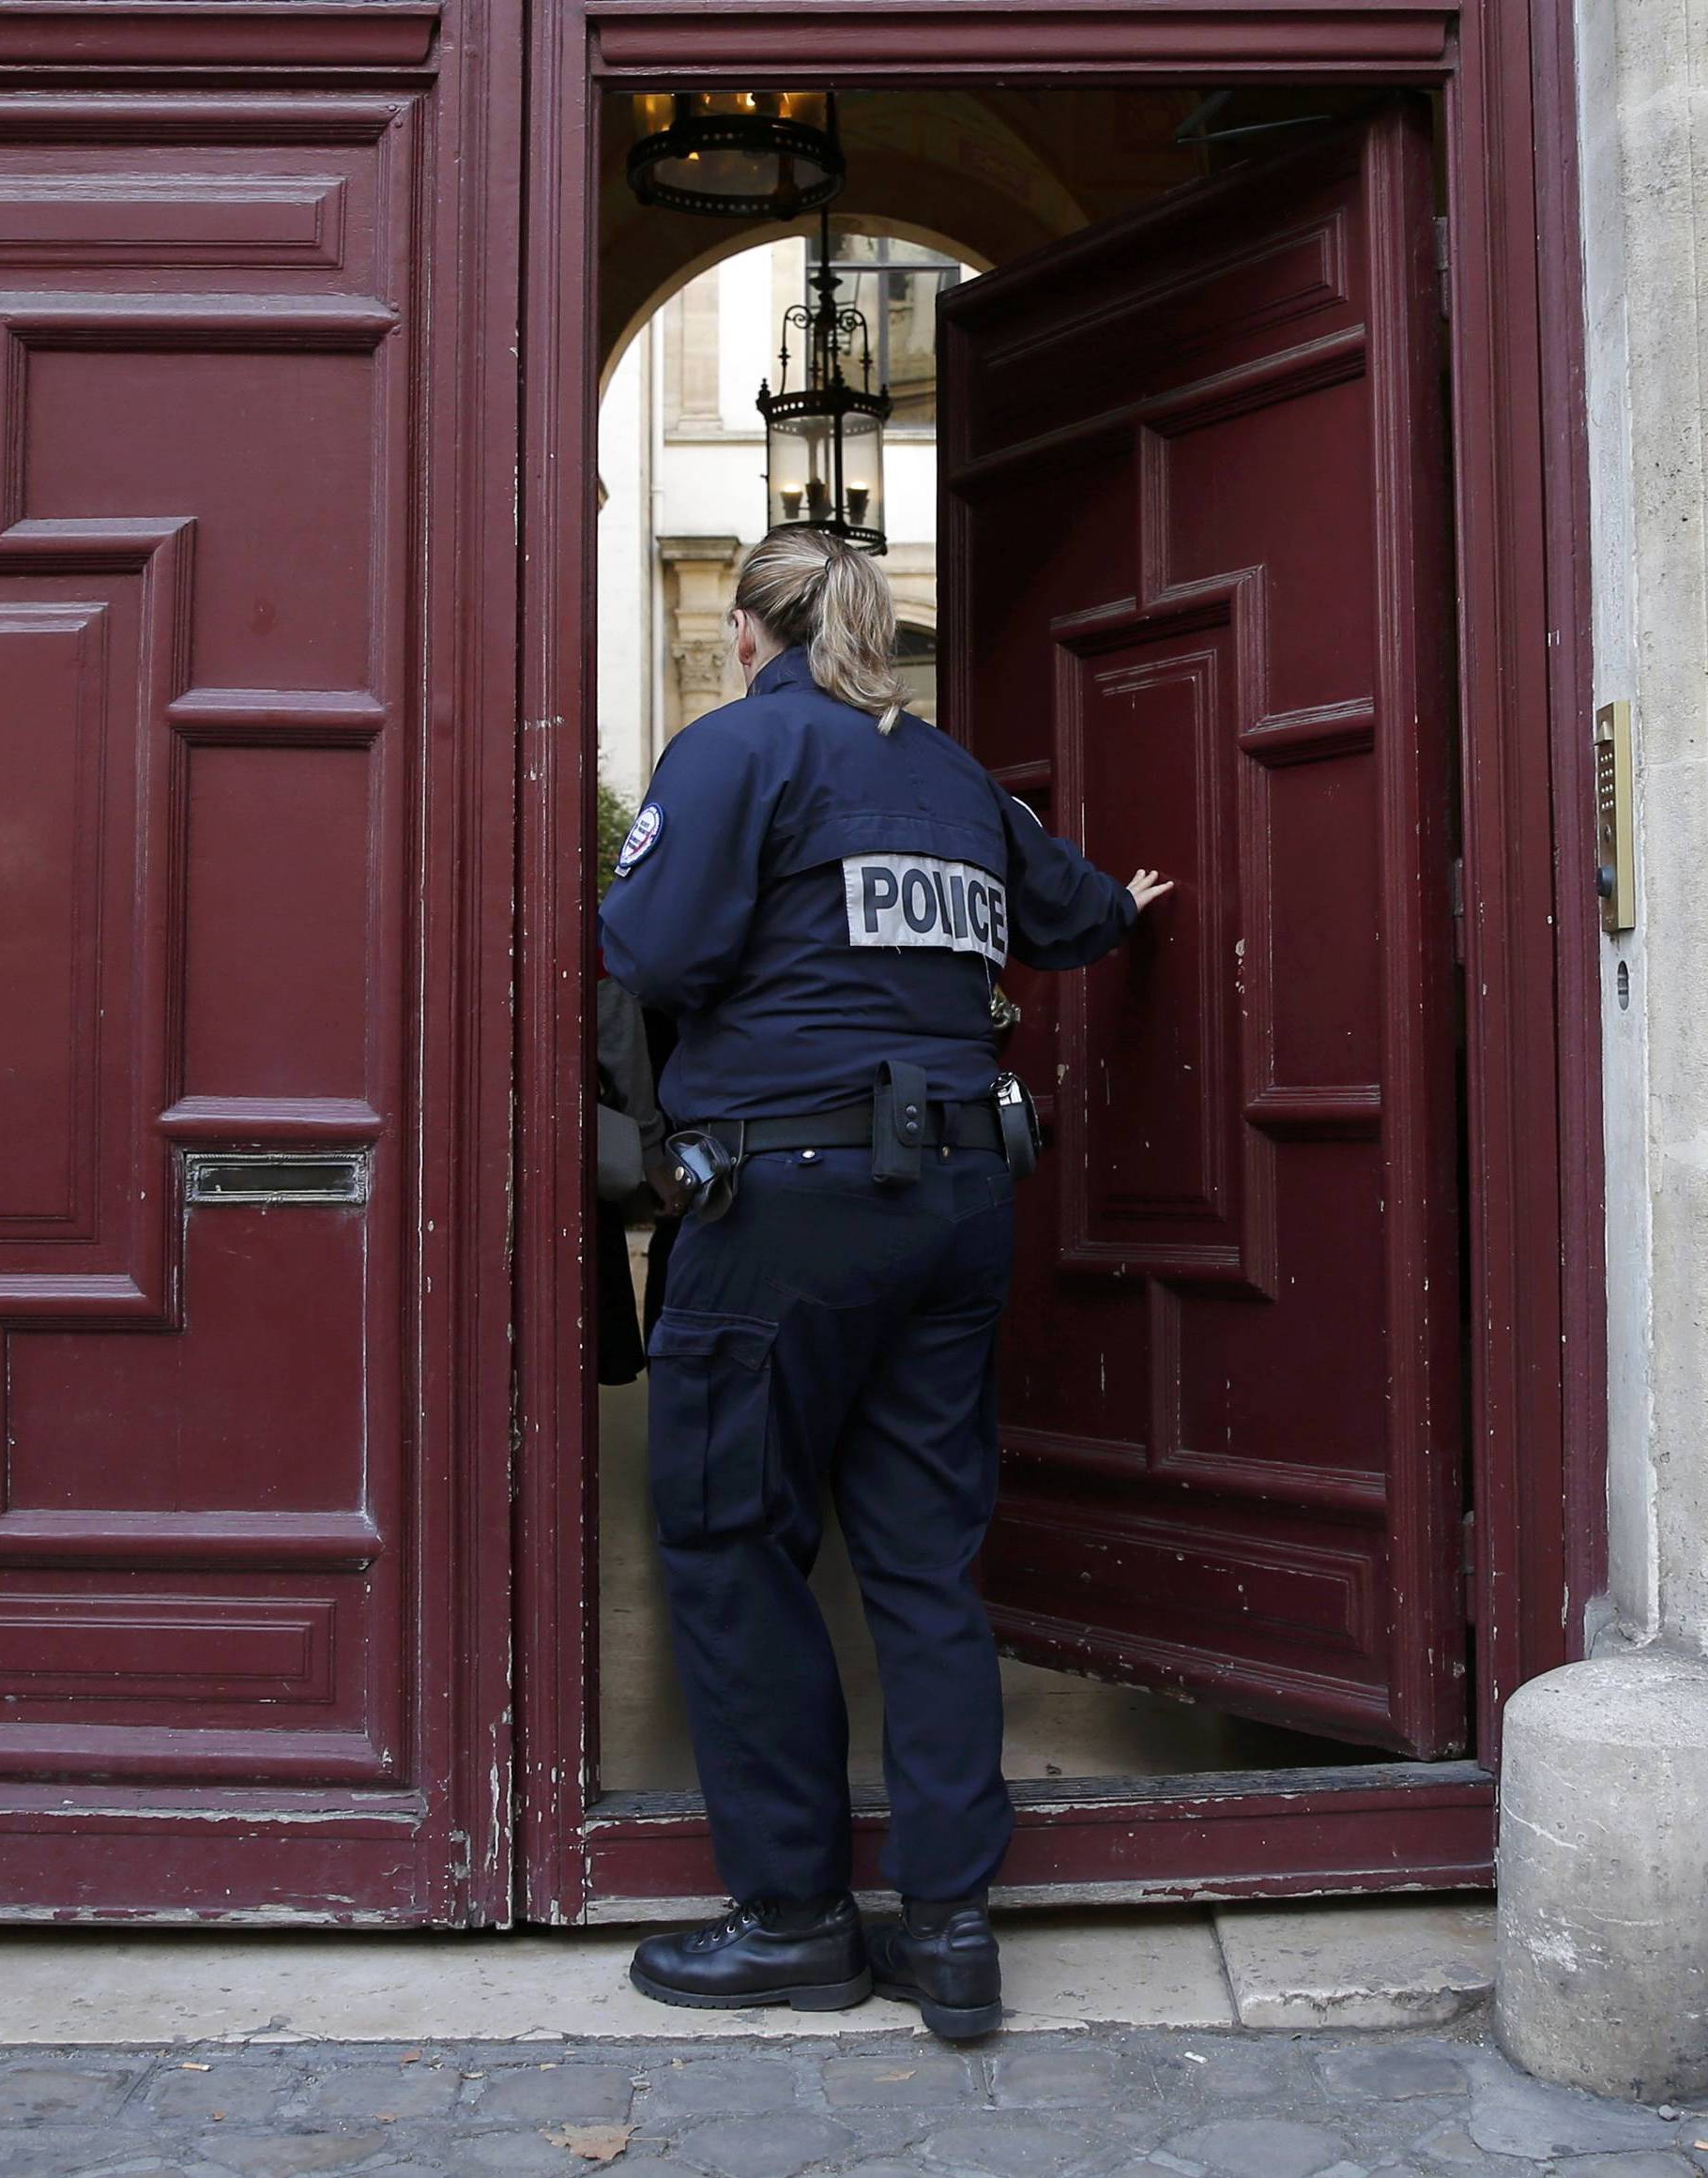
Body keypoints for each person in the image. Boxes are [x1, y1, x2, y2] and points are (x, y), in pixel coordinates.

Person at [598, 527, 1172, 2039]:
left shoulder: (736, 749)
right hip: (958, 1198)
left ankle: (791, 1917)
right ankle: (952, 1930)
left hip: (785, 1204)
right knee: (924, 1564)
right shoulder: (956, 780)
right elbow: (1072, 912)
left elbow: (649, 952)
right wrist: (1131, 903)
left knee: (729, 1537)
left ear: (746, 630)